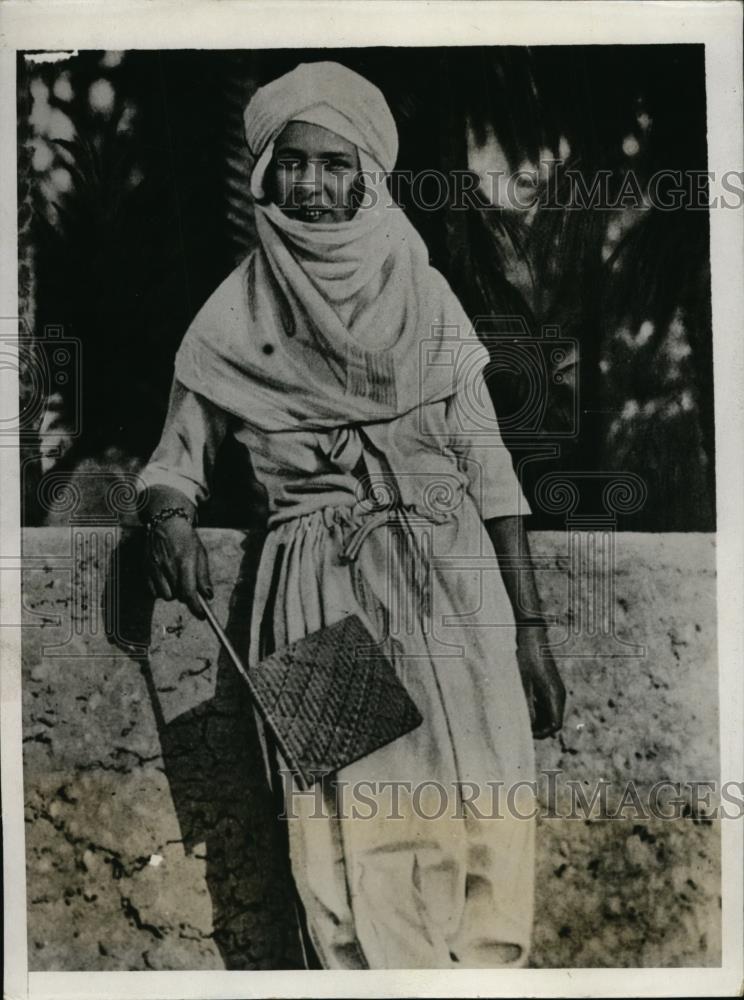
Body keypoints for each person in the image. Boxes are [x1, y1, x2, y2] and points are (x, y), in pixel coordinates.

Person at [139, 60, 565, 970]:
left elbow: (489, 467)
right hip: (315, 595)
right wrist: (170, 523)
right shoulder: (230, 318)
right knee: (348, 855)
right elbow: (174, 465)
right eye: (293, 163)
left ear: (369, 174)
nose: (313, 185)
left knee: (487, 823)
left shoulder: (425, 292)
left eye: (337, 165)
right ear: (265, 174)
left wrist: (529, 629)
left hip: (454, 586)